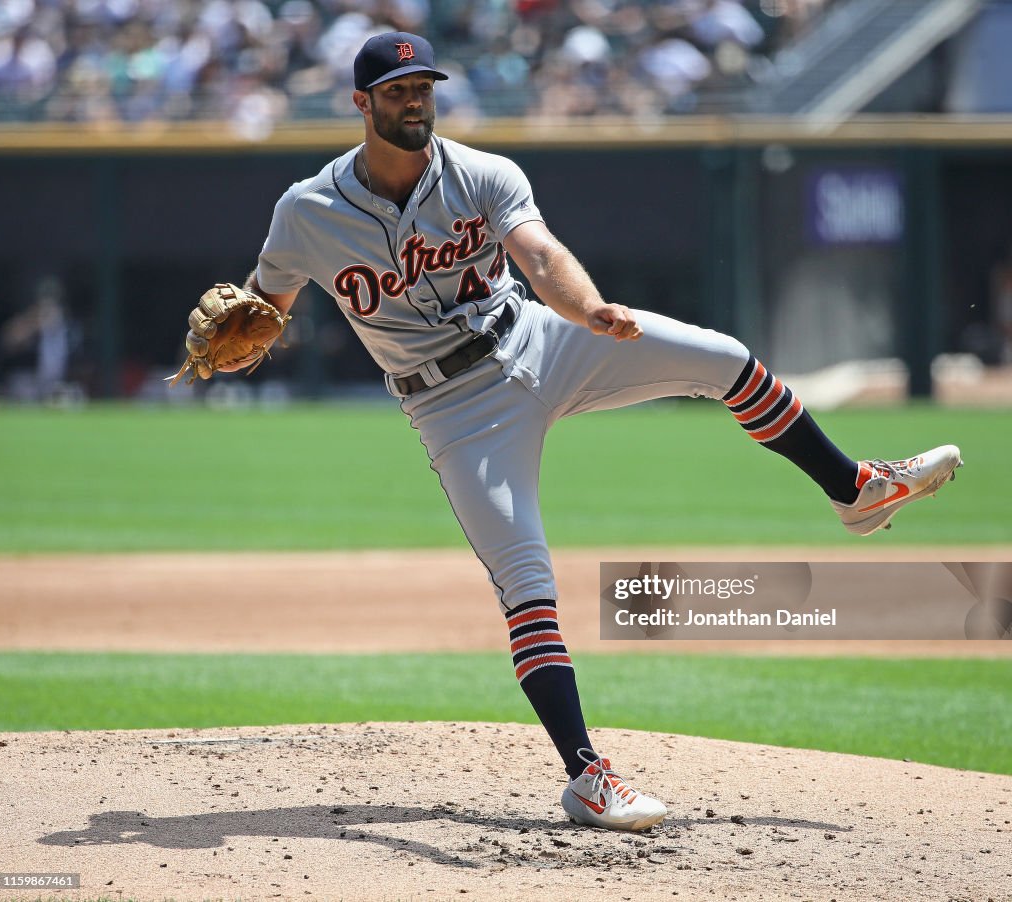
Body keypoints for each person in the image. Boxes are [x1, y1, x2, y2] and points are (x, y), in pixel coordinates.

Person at [186, 31, 962, 832]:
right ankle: (588, 776)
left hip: (539, 339)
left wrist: (588, 310)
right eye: (397, 91)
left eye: (424, 87)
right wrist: (250, 340)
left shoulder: (483, 172)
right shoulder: (307, 210)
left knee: (724, 359)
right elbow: (265, 304)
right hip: (453, 409)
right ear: (362, 103)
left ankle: (856, 489)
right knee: (527, 584)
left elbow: (540, 253)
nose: (414, 100)